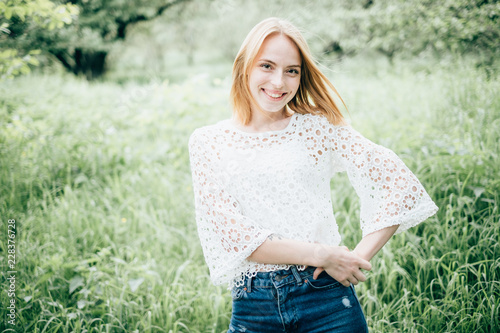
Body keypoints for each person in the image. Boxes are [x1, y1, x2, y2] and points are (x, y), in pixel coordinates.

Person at [188, 17, 438, 333]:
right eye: (267, 66)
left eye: (292, 70)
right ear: (245, 67)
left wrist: (355, 258)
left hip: (327, 300)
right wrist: (322, 254)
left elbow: (399, 183)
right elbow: (234, 236)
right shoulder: (208, 141)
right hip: (254, 307)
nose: (279, 82)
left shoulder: (316, 127)